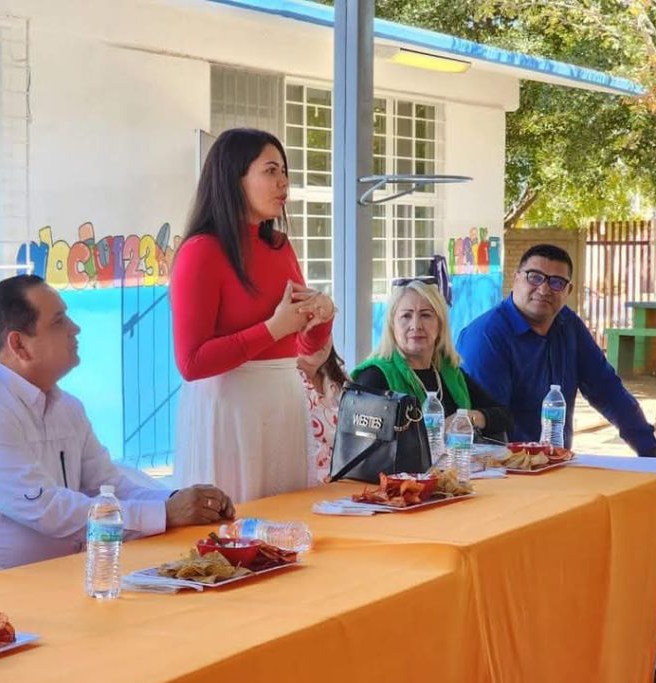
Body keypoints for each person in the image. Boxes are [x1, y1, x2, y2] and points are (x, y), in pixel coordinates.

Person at [0, 275, 235, 570]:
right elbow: (46, 509)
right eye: (59, 322)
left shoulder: (65, 406)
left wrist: (182, 502)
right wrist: (165, 513)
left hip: (62, 577)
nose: (75, 328)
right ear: (19, 345)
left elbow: (109, 487)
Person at [171, 127, 335, 502]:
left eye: (284, 172)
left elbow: (304, 350)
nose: (284, 183)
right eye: (271, 171)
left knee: (287, 523)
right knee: (235, 525)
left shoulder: (280, 246)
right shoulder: (201, 251)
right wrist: (272, 328)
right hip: (230, 411)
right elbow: (192, 362)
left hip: (283, 402)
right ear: (235, 177)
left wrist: (321, 318)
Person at [457, 243, 656, 456]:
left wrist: (651, 453)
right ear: (516, 278)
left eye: (556, 282)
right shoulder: (485, 337)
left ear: (568, 291)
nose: (544, 289)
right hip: (503, 466)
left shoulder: (568, 324)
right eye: (534, 277)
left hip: (557, 462)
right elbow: (491, 423)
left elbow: (608, 390)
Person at [352, 280, 511, 443]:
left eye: (425, 315)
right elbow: (362, 445)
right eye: (406, 316)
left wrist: (468, 418)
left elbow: (504, 416)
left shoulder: (450, 374)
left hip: (457, 460)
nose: (416, 325)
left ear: (440, 324)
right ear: (392, 325)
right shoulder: (374, 377)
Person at [297, 338, 348, 484]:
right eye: (305, 329)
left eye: (323, 329)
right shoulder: (284, 385)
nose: (316, 338)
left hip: (345, 487)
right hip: (302, 488)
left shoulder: (341, 380)